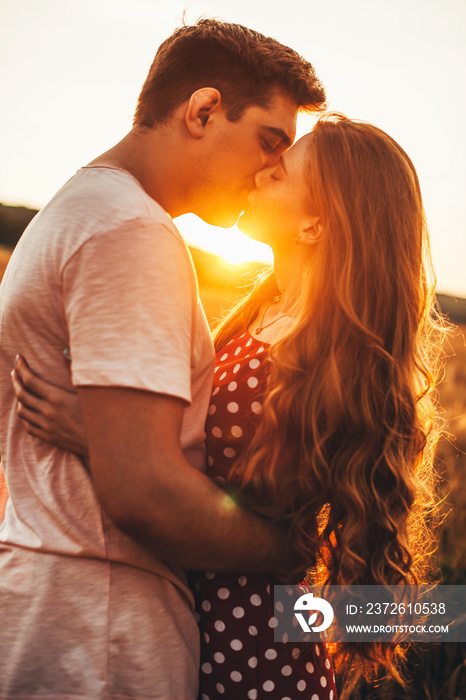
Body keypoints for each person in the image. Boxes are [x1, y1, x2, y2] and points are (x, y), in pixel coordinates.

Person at [11, 114, 447, 699]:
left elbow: (279, 526)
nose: (264, 169)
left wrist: (101, 438)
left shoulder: (325, 358)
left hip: (255, 655)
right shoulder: (259, 319)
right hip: (201, 622)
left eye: (283, 168)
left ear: (315, 223)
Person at [0, 18, 326, 699]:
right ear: (203, 110)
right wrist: (287, 550)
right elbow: (142, 491)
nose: (270, 169)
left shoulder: (82, 208)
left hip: (72, 604)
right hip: (101, 628)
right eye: (270, 142)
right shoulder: (129, 230)